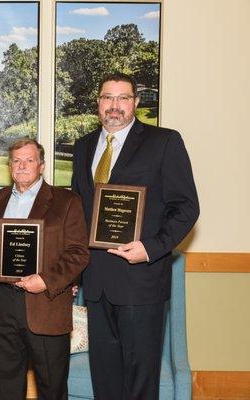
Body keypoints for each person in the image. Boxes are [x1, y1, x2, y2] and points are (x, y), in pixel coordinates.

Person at [71, 72, 200, 400]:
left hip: (141, 281)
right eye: (107, 98)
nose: (114, 106)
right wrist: (72, 269)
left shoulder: (164, 142)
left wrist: (151, 248)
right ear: (98, 103)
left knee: (141, 383)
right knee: (106, 381)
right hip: (96, 285)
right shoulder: (84, 147)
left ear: (136, 103)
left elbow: (186, 207)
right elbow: (77, 215)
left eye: (122, 98)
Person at [0, 139, 90, 400]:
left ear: (41, 166)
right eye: (16, 161)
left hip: (45, 303)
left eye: (29, 160)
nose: (22, 166)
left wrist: (46, 280)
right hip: (2, 304)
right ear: (9, 166)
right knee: (7, 388)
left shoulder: (67, 202)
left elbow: (78, 253)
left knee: (52, 389)